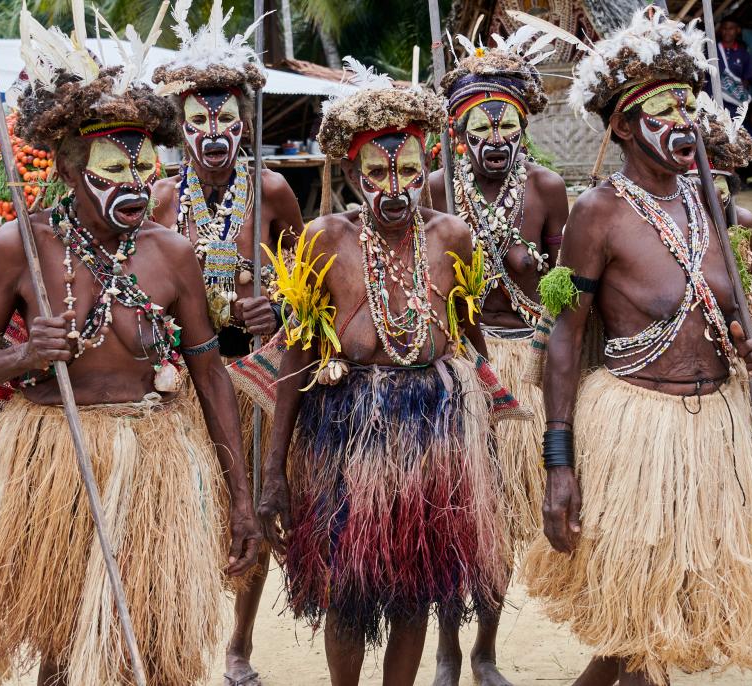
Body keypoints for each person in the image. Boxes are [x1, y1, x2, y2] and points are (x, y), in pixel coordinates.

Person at [0, 7, 260, 685]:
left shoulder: (172, 255)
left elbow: (211, 377)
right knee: (63, 645)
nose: (134, 185)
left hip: (156, 456)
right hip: (57, 457)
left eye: (143, 168)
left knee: (149, 649)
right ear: (72, 171)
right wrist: (21, 358)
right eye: (112, 170)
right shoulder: (22, 246)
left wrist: (239, 496)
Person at [519, 7, 752, 684]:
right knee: (636, 632)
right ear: (624, 125)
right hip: (636, 437)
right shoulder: (599, 213)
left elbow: (746, 313)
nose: (680, 123)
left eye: (687, 107)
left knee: (658, 634)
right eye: (659, 111)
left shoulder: (719, 208)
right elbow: (565, 342)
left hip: (713, 440)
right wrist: (560, 465)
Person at [255, 59, 509, 686]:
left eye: (410, 172)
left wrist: (492, 430)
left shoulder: (452, 236)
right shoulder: (323, 238)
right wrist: (274, 470)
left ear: (428, 171)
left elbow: (471, 339)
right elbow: (296, 352)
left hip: (433, 431)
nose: (395, 188)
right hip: (345, 429)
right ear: (349, 173)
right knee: (347, 588)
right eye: (376, 172)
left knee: (414, 588)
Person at [149, 5, 304, 683]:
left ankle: (239, 644)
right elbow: (142, 285)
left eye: (226, 119)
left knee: (256, 510)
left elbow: (309, 288)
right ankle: (177, 634)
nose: (215, 133)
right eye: (200, 121)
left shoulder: (271, 190)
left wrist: (280, 308)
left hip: (253, 374)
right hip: (183, 381)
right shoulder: (158, 199)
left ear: (244, 122)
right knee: (184, 510)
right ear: (181, 129)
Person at [428, 29, 568, 686]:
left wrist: (543, 275)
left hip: (521, 372)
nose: (494, 138)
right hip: (454, 371)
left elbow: (569, 287)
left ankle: (484, 648)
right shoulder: (434, 190)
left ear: (521, 126)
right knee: (451, 516)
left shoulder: (544, 189)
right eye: (479, 126)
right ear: (458, 130)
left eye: (505, 124)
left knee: (503, 524)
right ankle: (447, 648)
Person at [691, 95, 752, 316]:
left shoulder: (741, 221)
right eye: (707, 186)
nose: (715, 194)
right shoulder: (679, 224)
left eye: (720, 186)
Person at [714, 16, 752, 116]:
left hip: (734, 107)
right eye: (724, 28)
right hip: (713, 103)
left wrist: (735, 93)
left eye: (731, 28)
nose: (727, 32)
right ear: (720, 30)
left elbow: (748, 79)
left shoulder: (743, 54)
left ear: (738, 30)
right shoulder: (712, 50)